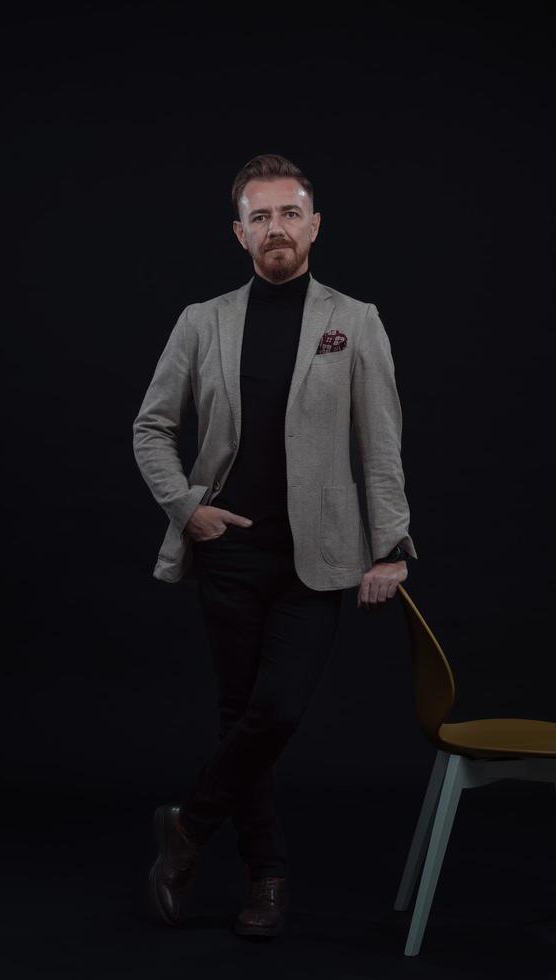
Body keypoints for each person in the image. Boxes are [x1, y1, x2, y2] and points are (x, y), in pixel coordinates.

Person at [132, 153, 417, 939]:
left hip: (319, 554)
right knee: (239, 714)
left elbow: (380, 444)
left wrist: (390, 546)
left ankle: (185, 827)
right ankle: (267, 877)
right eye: (259, 217)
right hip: (229, 549)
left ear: (313, 224)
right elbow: (151, 427)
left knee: (275, 709)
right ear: (239, 233)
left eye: (289, 213)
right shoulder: (202, 321)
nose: (276, 229)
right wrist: (188, 507)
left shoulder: (355, 320)